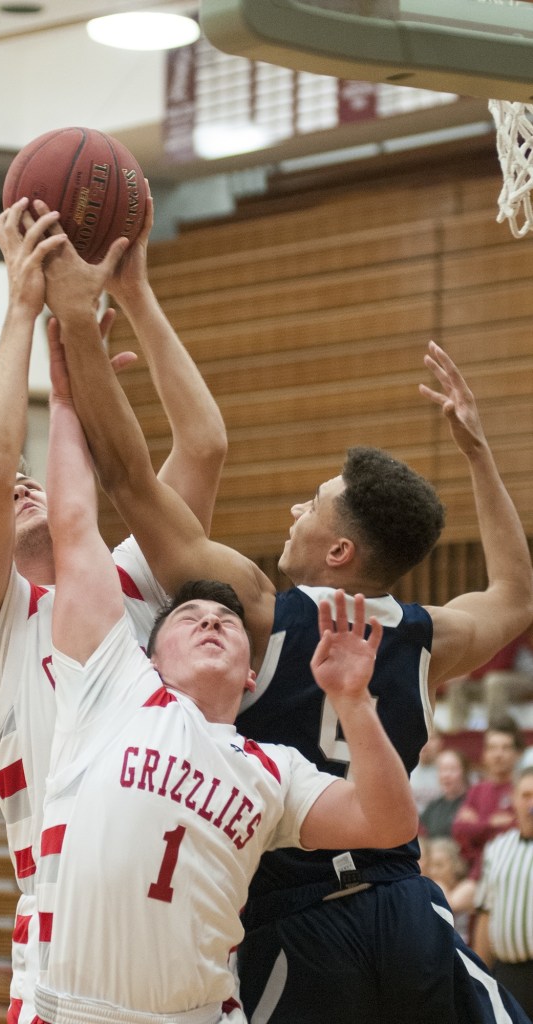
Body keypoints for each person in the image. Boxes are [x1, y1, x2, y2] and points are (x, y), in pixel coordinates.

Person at [35, 204, 533, 1024]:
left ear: (338, 552)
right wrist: (477, 451)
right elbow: (515, 595)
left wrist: (97, 324)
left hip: (298, 927)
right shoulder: (421, 641)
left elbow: (129, 479)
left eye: (314, 504)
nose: (297, 509)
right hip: (403, 905)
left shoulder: (260, 612)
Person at [34, 325, 418, 1024]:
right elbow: (73, 524)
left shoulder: (273, 771)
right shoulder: (112, 691)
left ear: (251, 676)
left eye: (227, 621)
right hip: (75, 1011)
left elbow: (387, 824)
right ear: (149, 655)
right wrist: (65, 403)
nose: (211, 619)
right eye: (188, 618)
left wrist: (356, 704)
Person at [0, 192, 229, 1024]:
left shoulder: (130, 581)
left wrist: (136, 297)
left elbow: (202, 446)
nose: (21, 482)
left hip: (187, 930)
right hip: (65, 936)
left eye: (41, 473)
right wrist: (23, 312)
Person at [474, 766, 533, 1017]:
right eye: (526, 795)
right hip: (508, 974)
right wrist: (478, 978)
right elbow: (485, 914)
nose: (532, 803)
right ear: (514, 800)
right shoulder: (498, 847)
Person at [452, 715, 526, 880]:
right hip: (473, 870)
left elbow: (519, 831)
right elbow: (459, 829)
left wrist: (477, 824)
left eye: (505, 748)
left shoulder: (524, 790)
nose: (498, 754)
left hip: (510, 871)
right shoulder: (477, 789)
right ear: (484, 754)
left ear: (518, 753)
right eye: (492, 748)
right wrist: (490, 823)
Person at [446, 630, 533, 731]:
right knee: (458, 685)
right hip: (493, 680)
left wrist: (469, 674)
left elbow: (502, 664)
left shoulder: (512, 630)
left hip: (526, 680)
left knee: (494, 680)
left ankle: (496, 730)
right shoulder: (483, 636)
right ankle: (457, 732)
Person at [420, 836, 475, 944]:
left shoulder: (468, 885)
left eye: (439, 865)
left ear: (456, 865)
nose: (433, 871)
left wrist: (437, 884)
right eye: (430, 866)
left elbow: (449, 905)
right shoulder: (433, 887)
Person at [420, 747, 472, 839]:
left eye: (452, 769)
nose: (446, 775)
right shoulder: (434, 805)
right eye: (442, 770)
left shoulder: (472, 803)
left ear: (465, 772)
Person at [411, 730, 445, 814]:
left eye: (431, 738)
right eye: (420, 738)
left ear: (440, 743)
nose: (425, 743)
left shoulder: (451, 772)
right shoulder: (404, 769)